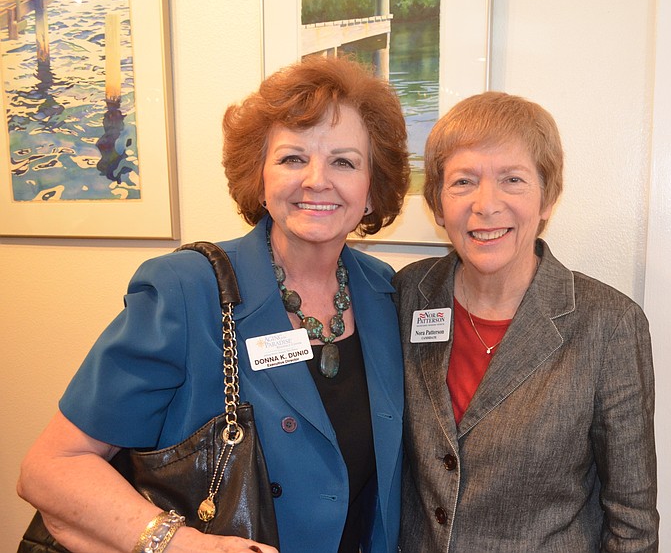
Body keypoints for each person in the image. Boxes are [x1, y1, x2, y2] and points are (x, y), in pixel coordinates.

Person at [17, 55, 410, 553]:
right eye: (293, 158)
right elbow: (51, 468)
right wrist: (184, 546)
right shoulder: (186, 289)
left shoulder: (384, 293)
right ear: (259, 179)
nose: (316, 179)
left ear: (371, 190)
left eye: (344, 161)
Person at [393, 91, 659, 552]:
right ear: (437, 204)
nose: (486, 204)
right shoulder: (402, 298)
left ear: (547, 199)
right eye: (462, 182)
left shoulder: (609, 324)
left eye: (512, 179)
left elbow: (632, 519)